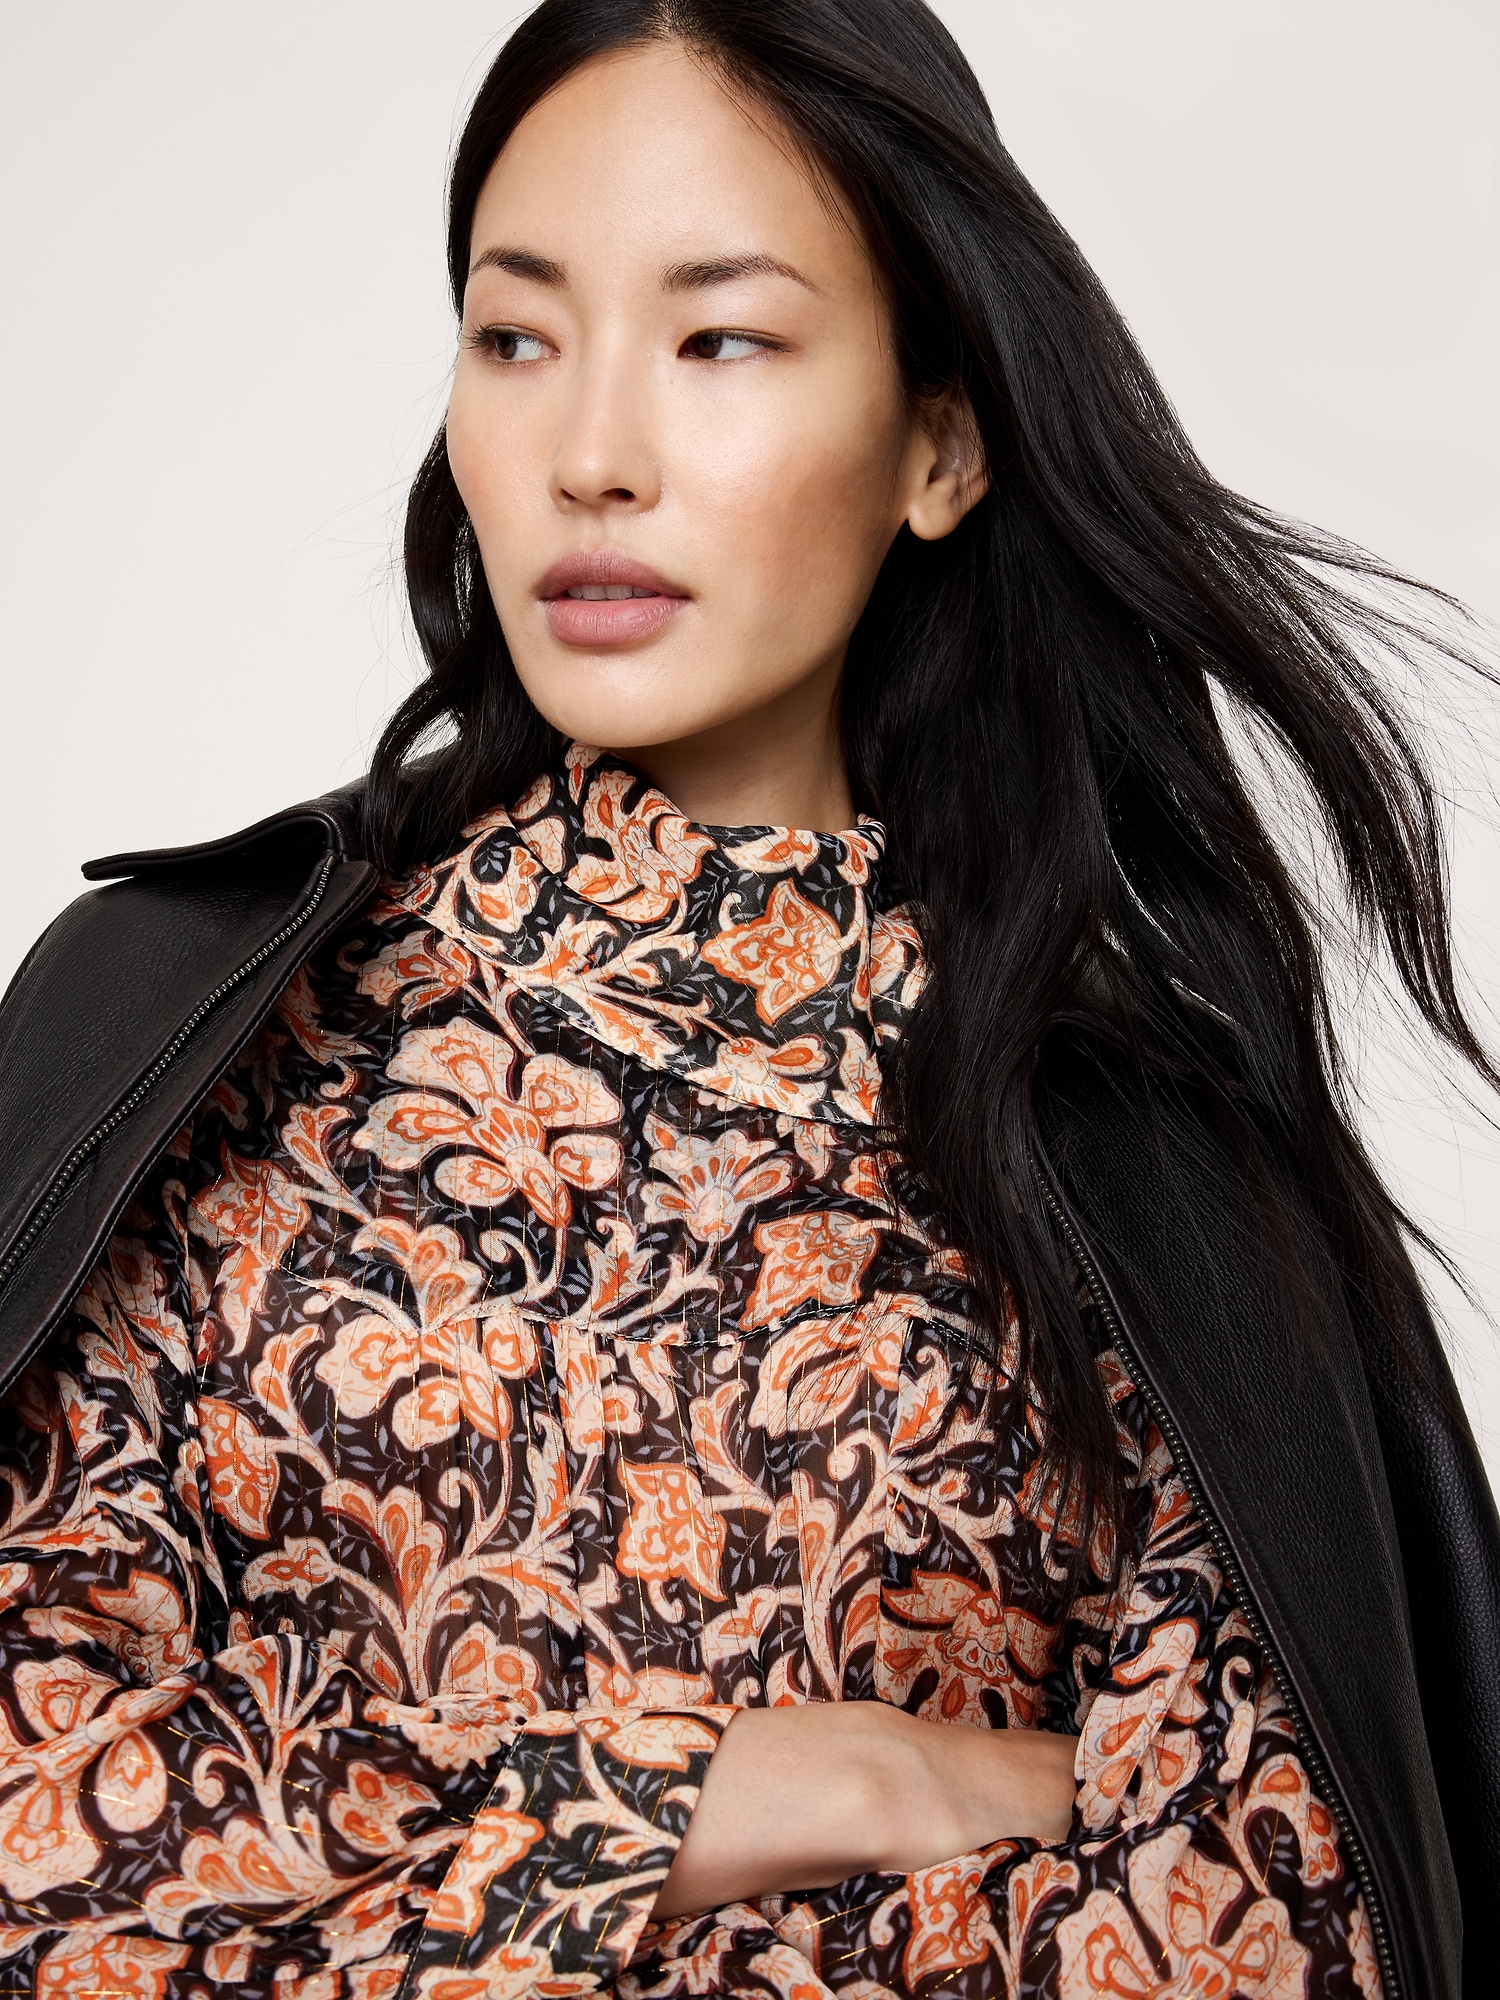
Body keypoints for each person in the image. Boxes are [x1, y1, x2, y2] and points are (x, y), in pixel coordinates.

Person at [0, 1, 1495, 1995]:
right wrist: (745, 1794)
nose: (591, 456)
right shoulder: (178, 1038)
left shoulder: (1148, 1159)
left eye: (721, 340)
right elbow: (37, 1848)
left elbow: (1257, 1935)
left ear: (939, 443)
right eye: (516, 336)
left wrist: (395, 1894)